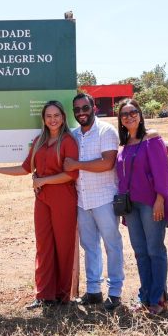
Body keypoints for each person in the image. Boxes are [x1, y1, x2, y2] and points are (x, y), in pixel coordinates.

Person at [0, 100, 79, 308]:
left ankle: (61, 296)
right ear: (43, 119)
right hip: (42, 198)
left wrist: (42, 180)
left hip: (63, 198)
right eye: (49, 116)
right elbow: (25, 168)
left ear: (63, 118)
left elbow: (71, 174)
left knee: (64, 246)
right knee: (43, 245)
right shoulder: (38, 141)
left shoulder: (68, 141)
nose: (53, 120)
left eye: (56, 116)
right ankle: (44, 295)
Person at [63, 93, 124, 310]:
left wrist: (77, 164)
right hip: (83, 199)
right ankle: (94, 291)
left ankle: (115, 292)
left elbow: (107, 163)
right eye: (77, 109)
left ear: (94, 107)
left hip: (105, 198)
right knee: (89, 246)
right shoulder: (73, 135)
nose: (81, 113)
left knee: (112, 245)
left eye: (85, 108)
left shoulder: (106, 131)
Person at [115, 99, 168, 315]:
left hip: (151, 204)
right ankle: (145, 296)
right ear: (120, 120)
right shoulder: (124, 145)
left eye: (133, 112)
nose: (129, 116)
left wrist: (161, 199)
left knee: (155, 250)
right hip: (131, 206)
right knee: (140, 252)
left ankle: (158, 298)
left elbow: (163, 173)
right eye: (124, 114)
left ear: (140, 115)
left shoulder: (151, 138)